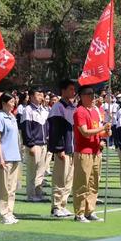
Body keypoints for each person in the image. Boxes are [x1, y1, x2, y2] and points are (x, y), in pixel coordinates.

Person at [72, 86, 111, 222]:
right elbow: (85, 132)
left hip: (96, 151)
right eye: (88, 94)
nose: (91, 97)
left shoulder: (95, 112)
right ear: (81, 96)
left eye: (92, 94)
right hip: (84, 151)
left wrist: (105, 133)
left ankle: (90, 210)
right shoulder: (79, 112)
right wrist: (102, 129)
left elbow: (96, 131)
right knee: (82, 183)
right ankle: (80, 212)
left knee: (94, 183)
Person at [48, 79, 76, 218]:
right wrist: (59, 148)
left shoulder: (72, 106)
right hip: (63, 149)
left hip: (72, 149)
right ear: (63, 91)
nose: (73, 91)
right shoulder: (58, 107)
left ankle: (63, 204)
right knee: (60, 178)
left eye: (73, 89)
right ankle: (56, 206)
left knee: (69, 179)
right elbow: (56, 130)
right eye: (70, 89)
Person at [0, 92, 22, 224]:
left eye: (14, 101)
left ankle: (10, 211)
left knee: (12, 188)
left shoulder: (12, 117)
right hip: (5, 156)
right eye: (11, 101)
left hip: (15, 155)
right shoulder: (0, 117)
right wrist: (0, 157)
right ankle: (3, 213)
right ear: (4, 103)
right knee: (3, 187)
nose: (13, 104)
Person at [21, 88, 49, 202]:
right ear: (31, 96)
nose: (41, 96)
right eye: (38, 94)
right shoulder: (28, 110)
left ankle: (38, 192)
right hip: (34, 144)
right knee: (32, 170)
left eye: (42, 94)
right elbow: (26, 128)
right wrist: (30, 145)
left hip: (43, 144)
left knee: (41, 171)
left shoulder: (44, 110)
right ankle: (31, 194)